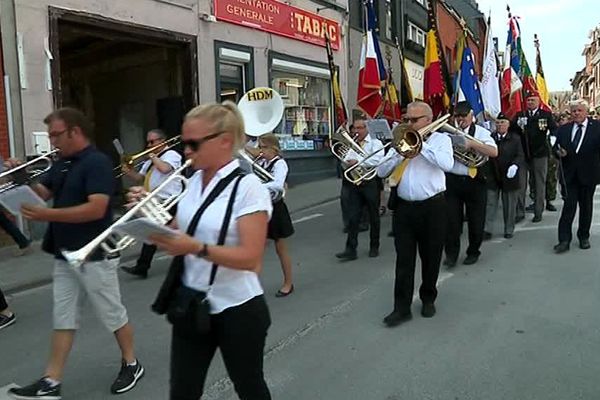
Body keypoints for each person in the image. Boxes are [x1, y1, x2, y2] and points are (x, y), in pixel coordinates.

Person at [8, 108, 143, 400]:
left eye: (56, 135)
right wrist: (19, 180)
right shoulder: (62, 164)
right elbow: (41, 193)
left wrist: (49, 216)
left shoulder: (97, 162)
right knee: (63, 316)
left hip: (96, 250)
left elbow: (96, 209)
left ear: (75, 131)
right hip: (65, 252)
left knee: (112, 313)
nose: (53, 141)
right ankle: (51, 381)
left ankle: (131, 363)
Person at [140, 101, 273, 399]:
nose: (186, 151)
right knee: (183, 392)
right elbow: (177, 230)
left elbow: (251, 259)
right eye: (184, 142)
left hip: (238, 308)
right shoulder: (191, 182)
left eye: (193, 143)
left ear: (224, 141)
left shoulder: (248, 187)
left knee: (249, 387)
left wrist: (195, 247)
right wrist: (145, 213)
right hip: (191, 303)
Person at [377, 101, 454, 327]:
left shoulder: (442, 140)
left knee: (431, 258)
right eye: (407, 119)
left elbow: (447, 164)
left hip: (434, 207)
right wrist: (399, 154)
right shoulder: (400, 140)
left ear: (428, 120)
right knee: (404, 260)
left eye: (414, 120)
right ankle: (401, 308)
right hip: (404, 209)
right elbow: (381, 171)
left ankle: (428, 298)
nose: (409, 124)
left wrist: (420, 146)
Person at [121, 128, 182, 278]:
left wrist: (153, 156)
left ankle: (144, 267)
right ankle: (143, 267)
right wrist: (128, 171)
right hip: (155, 200)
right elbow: (139, 179)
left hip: (171, 200)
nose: (148, 145)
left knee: (163, 233)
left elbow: (165, 168)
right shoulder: (150, 160)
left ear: (162, 141)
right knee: (154, 233)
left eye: (152, 142)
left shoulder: (171, 155)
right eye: (148, 142)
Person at [443, 101, 498, 267]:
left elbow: (494, 152)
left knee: (476, 220)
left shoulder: (480, 132)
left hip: (475, 181)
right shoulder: (447, 133)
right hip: (452, 181)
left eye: (464, 116)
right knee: (451, 221)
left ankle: (473, 251)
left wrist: (472, 143)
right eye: (457, 116)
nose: (460, 120)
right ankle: (451, 255)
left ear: (471, 115)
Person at [553, 100, 600, 253]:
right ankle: (564, 240)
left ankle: (583, 236)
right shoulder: (564, 130)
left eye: (580, 110)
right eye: (574, 111)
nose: (577, 113)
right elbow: (555, 147)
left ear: (586, 112)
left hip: (589, 175)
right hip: (569, 176)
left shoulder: (597, 128)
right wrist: (558, 152)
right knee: (568, 208)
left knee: (586, 207)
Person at [336, 117, 384, 261]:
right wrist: (347, 163)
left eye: (360, 128)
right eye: (355, 128)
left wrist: (359, 162)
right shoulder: (351, 144)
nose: (356, 131)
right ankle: (351, 249)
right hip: (354, 183)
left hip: (370, 181)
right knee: (353, 216)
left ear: (367, 128)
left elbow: (378, 160)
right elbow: (345, 160)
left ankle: (374, 246)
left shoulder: (375, 143)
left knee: (373, 216)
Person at [257, 133, 295, 297]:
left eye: (264, 147)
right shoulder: (260, 163)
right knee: (256, 248)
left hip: (276, 208)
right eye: (260, 147)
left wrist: (256, 187)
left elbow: (279, 185)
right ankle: (252, 286)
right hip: (261, 208)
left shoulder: (280, 164)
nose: (260, 151)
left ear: (274, 148)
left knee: (281, 248)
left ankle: (288, 283)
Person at [514, 93, 558, 222]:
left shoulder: (545, 115)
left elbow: (554, 129)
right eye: (528, 100)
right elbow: (513, 130)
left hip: (540, 154)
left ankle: (538, 211)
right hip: (523, 154)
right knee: (521, 185)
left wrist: (553, 141)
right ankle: (520, 212)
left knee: (540, 183)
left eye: (533, 100)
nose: (530, 102)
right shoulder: (520, 115)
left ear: (538, 101)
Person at [483, 113, 525, 240]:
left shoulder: (515, 138)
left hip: (509, 175)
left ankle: (509, 229)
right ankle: (487, 230)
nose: (500, 125)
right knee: (490, 204)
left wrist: (515, 166)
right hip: (493, 175)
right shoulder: (490, 138)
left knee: (509, 205)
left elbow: (520, 155)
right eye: (498, 123)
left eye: (503, 123)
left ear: (508, 124)